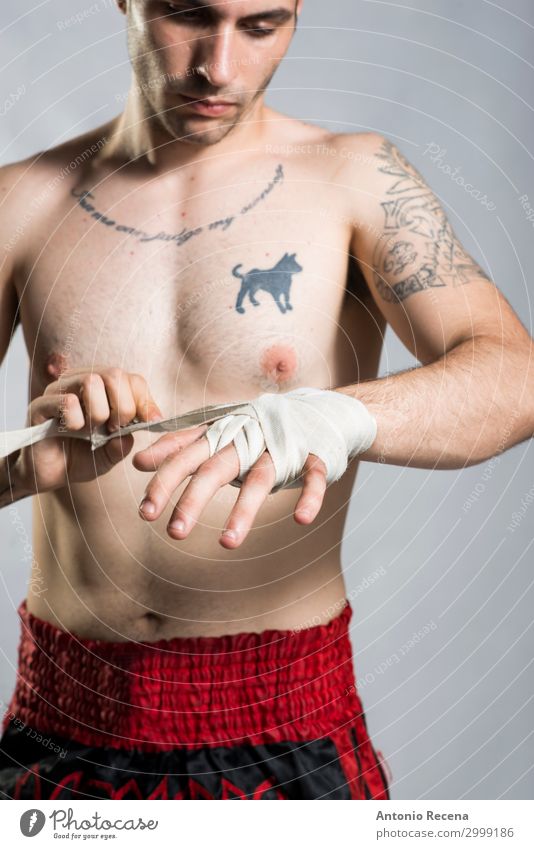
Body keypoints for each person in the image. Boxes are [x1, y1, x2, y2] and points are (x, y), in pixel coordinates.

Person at [0, 0, 532, 801]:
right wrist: (17, 461)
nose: (219, 66)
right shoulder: (20, 201)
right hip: (61, 725)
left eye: (261, 25)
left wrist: (337, 416)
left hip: (283, 729)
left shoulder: (353, 177)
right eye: (189, 15)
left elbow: (517, 376)